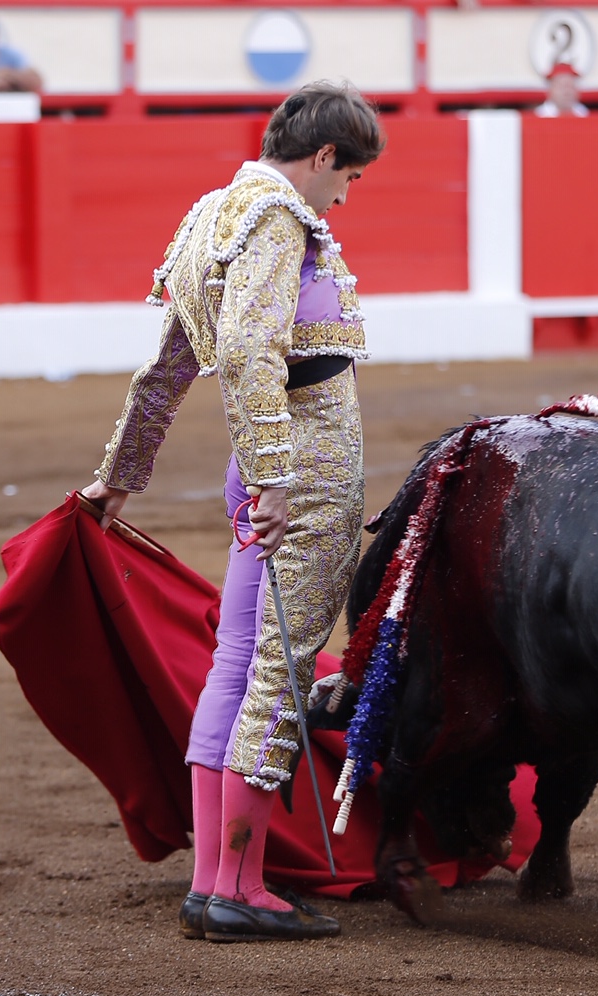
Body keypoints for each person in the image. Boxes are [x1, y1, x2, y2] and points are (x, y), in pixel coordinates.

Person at [82, 82, 383, 943]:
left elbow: (170, 364)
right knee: (280, 672)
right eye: (350, 177)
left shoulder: (213, 214)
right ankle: (241, 888)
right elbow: (251, 351)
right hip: (303, 480)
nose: (345, 196)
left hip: (262, 477)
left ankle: (214, 883)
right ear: (324, 156)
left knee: (237, 664)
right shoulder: (280, 218)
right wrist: (277, 478)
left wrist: (120, 476)